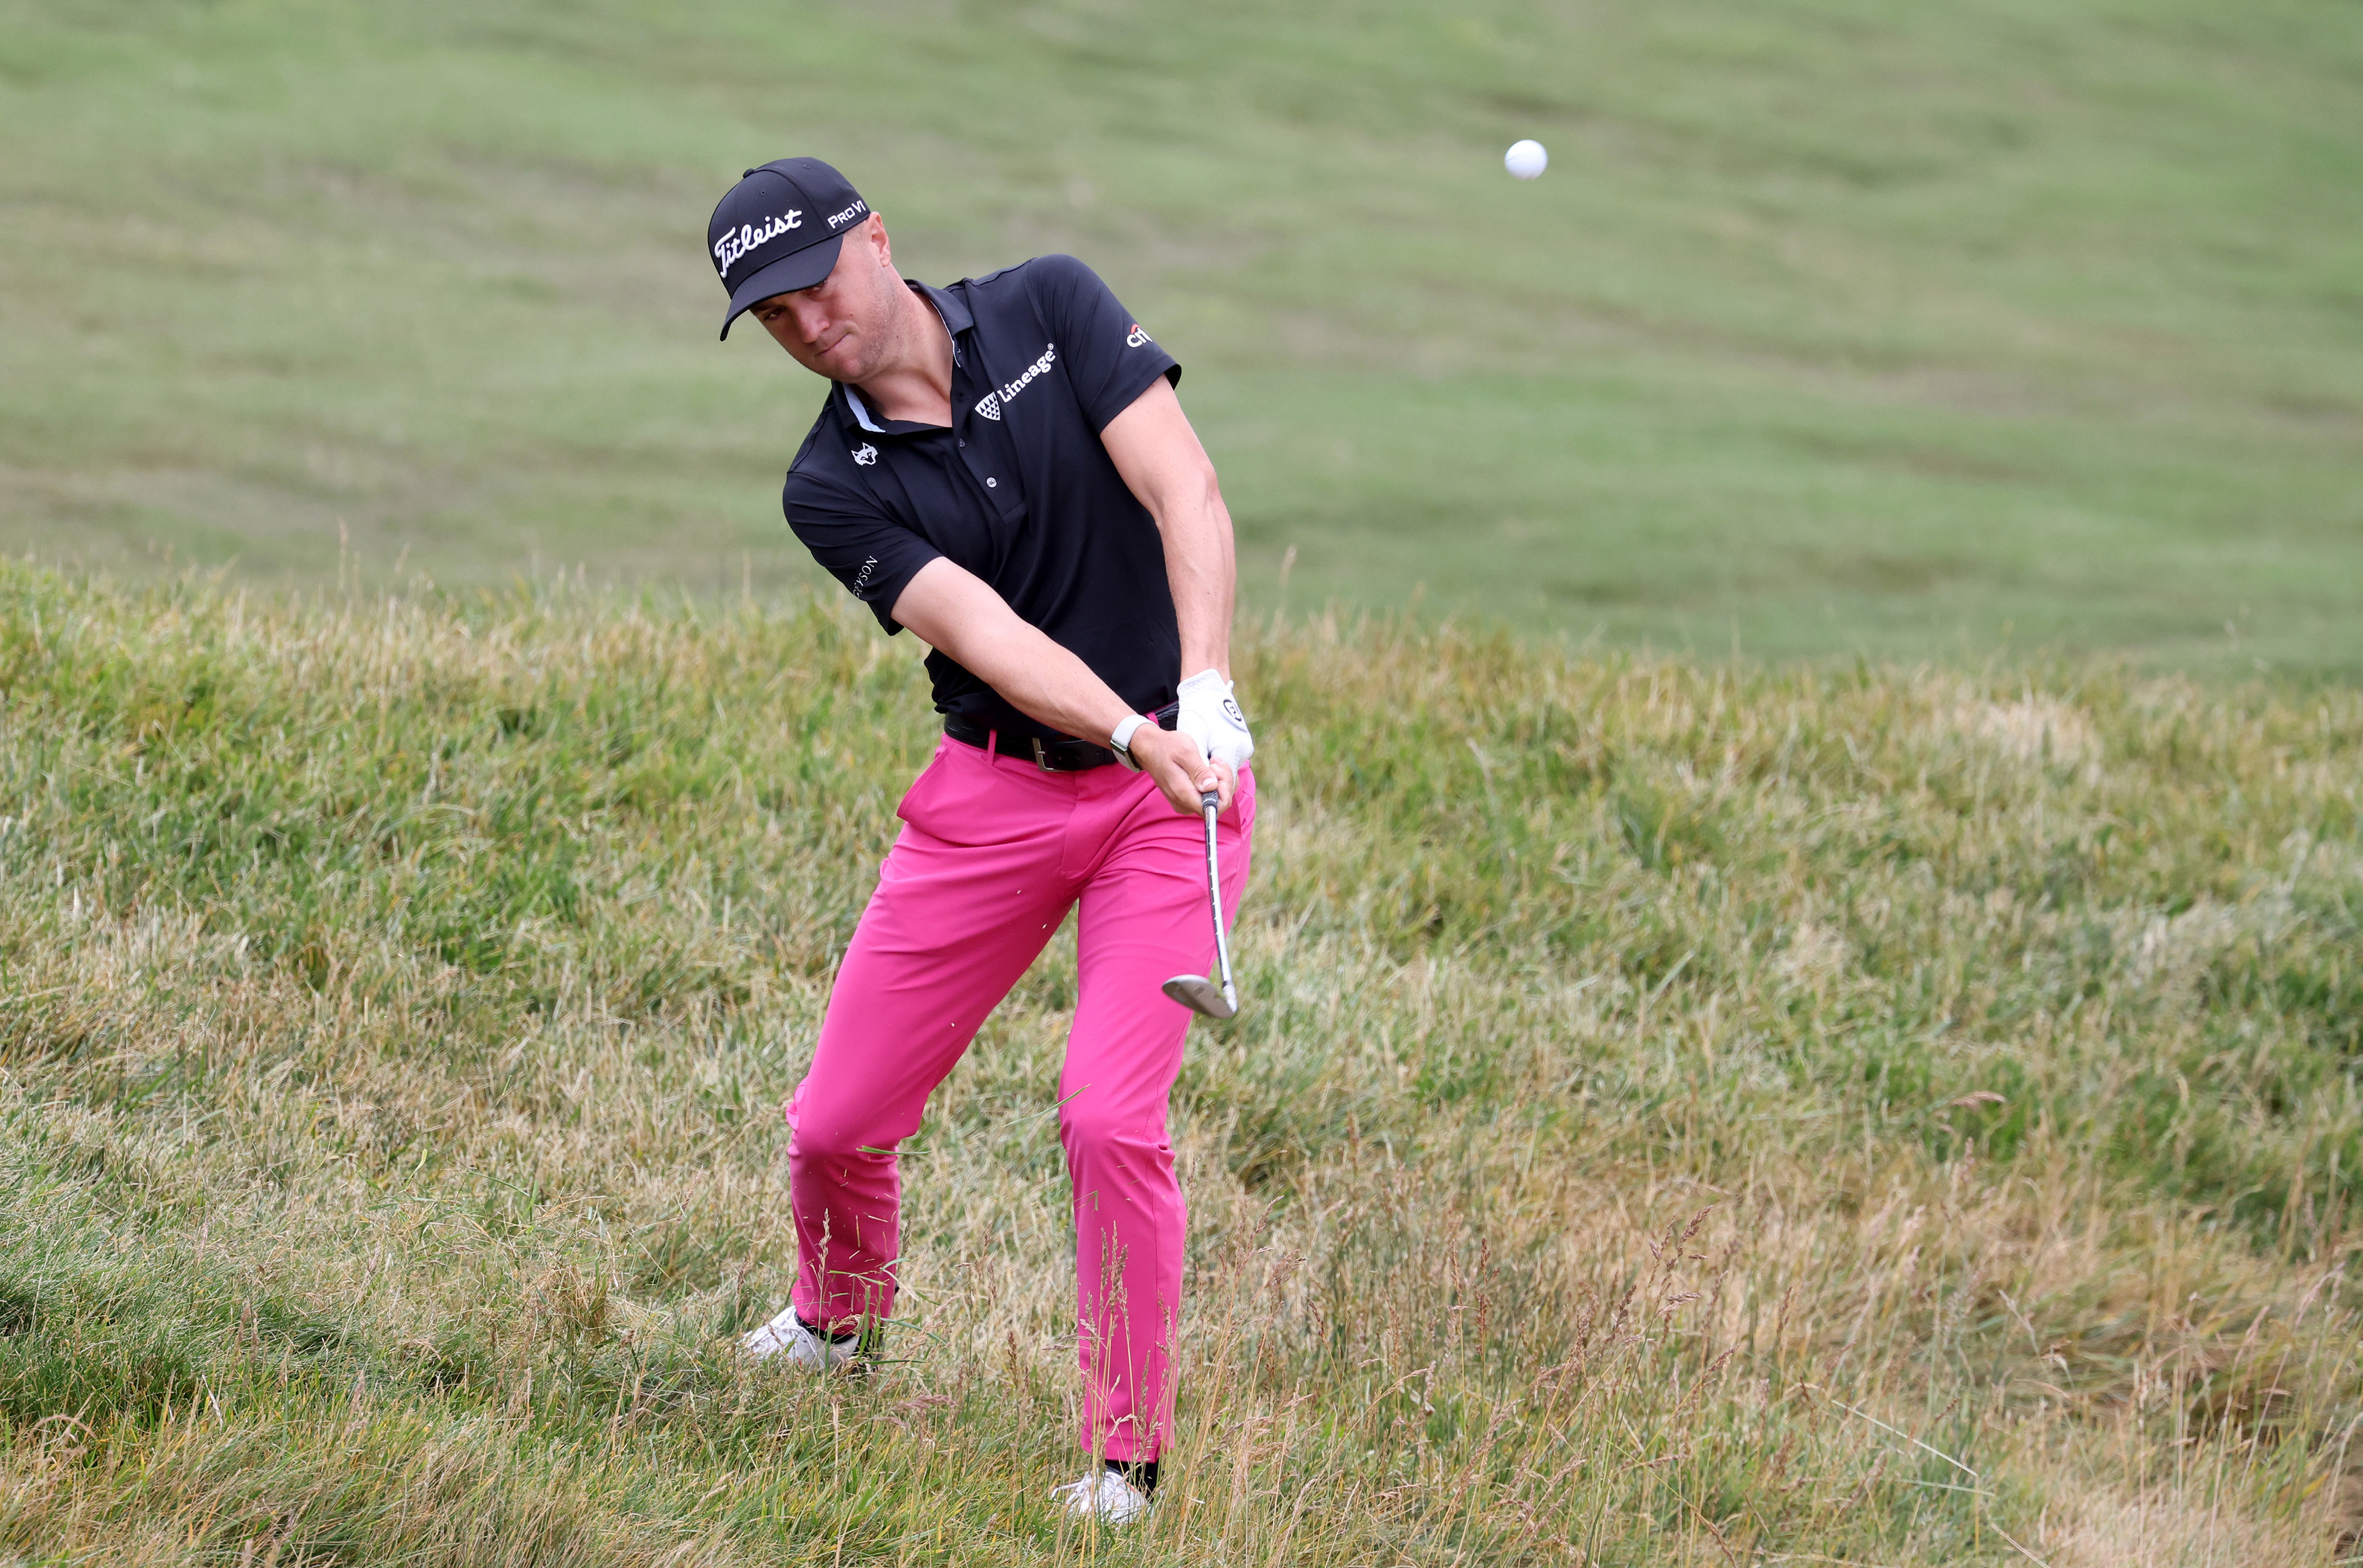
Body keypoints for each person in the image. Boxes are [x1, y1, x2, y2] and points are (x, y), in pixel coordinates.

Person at [705, 158, 1256, 1525]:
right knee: (836, 1119)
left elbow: (1186, 490)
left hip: (1172, 795)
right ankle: (836, 1322)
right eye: (771, 317)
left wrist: (1203, 690)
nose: (807, 326)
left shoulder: (1053, 309)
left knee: (1105, 1113)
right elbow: (994, 643)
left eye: (815, 285)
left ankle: (1126, 1461)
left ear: (877, 239)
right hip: (998, 793)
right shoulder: (828, 486)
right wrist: (1133, 728)